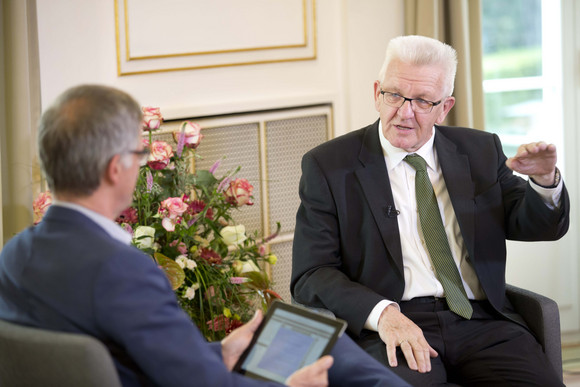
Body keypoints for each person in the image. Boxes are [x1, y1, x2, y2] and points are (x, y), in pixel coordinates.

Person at [0, 85, 409, 387]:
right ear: (114, 168)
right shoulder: (123, 271)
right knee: (329, 351)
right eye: (138, 154)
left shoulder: (15, 254)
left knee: (322, 344)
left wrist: (218, 352)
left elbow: (116, 354)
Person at [291, 35, 569, 386]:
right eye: (394, 95)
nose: (404, 112)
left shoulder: (480, 150)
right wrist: (383, 314)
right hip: (395, 324)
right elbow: (311, 273)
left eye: (422, 101)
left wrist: (544, 181)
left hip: (482, 322)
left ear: (445, 107)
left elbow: (534, 224)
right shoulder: (329, 166)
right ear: (376, 92)